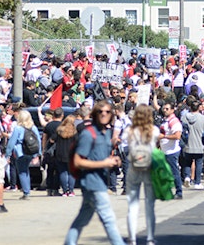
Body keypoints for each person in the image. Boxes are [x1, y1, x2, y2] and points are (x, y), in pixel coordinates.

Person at [64, 101, 125, 245]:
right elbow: (78, 161)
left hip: (100, 182)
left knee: (83, 218)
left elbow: (99, 156)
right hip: (92, 182)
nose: (104, 114)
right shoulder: (88, 134)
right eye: (100, 112)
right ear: (94, 115)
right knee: (108, 218)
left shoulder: (106, 134)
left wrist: (113, 160)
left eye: (107, 112)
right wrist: (104, 163)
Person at [126, 104, 160, 245]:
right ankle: (150, 237)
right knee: (150, 205)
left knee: (132, 205)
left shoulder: (130, 131)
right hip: (149, 167)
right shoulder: (155, 130)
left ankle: (132, 238)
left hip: (134, 166)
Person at [5, 109, 42, 200]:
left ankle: (26, 192)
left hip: (20, 152)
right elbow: (38, 141)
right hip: (30, 152)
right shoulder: (33, 127)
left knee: (22, 171)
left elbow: (11, 142)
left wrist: (7, 154)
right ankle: (27, 190)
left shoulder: (18, 128)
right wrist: (38, 153)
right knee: (26, 171)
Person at [158, 101, 184, 199]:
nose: (165, 110)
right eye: (164, 108)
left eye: (167, 109)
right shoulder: (166, 120)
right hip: (164, 150)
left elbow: (177, 136)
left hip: (171, 151)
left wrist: (164, 136)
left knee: (174, 172)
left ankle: (179, 192)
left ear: (172, 110)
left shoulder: (174, 121)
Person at [55, 116, 78, 196]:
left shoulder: (59, 130)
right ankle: (71, 190)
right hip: (71, 154)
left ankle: (65, 191)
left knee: (63, 172)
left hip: (60, 153)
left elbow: (52, 140)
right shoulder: (74, 132)